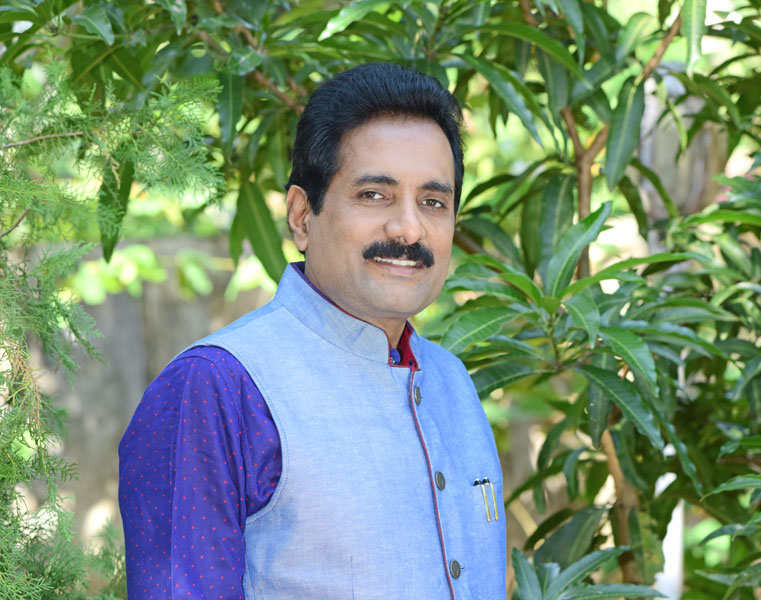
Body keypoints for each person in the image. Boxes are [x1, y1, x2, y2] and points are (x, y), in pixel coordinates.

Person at [119, 62, 505, 600]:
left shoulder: (453, 381)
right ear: (302, 216)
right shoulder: (218, 388)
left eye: (433, 202)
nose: (409, 228)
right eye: (374, 195)